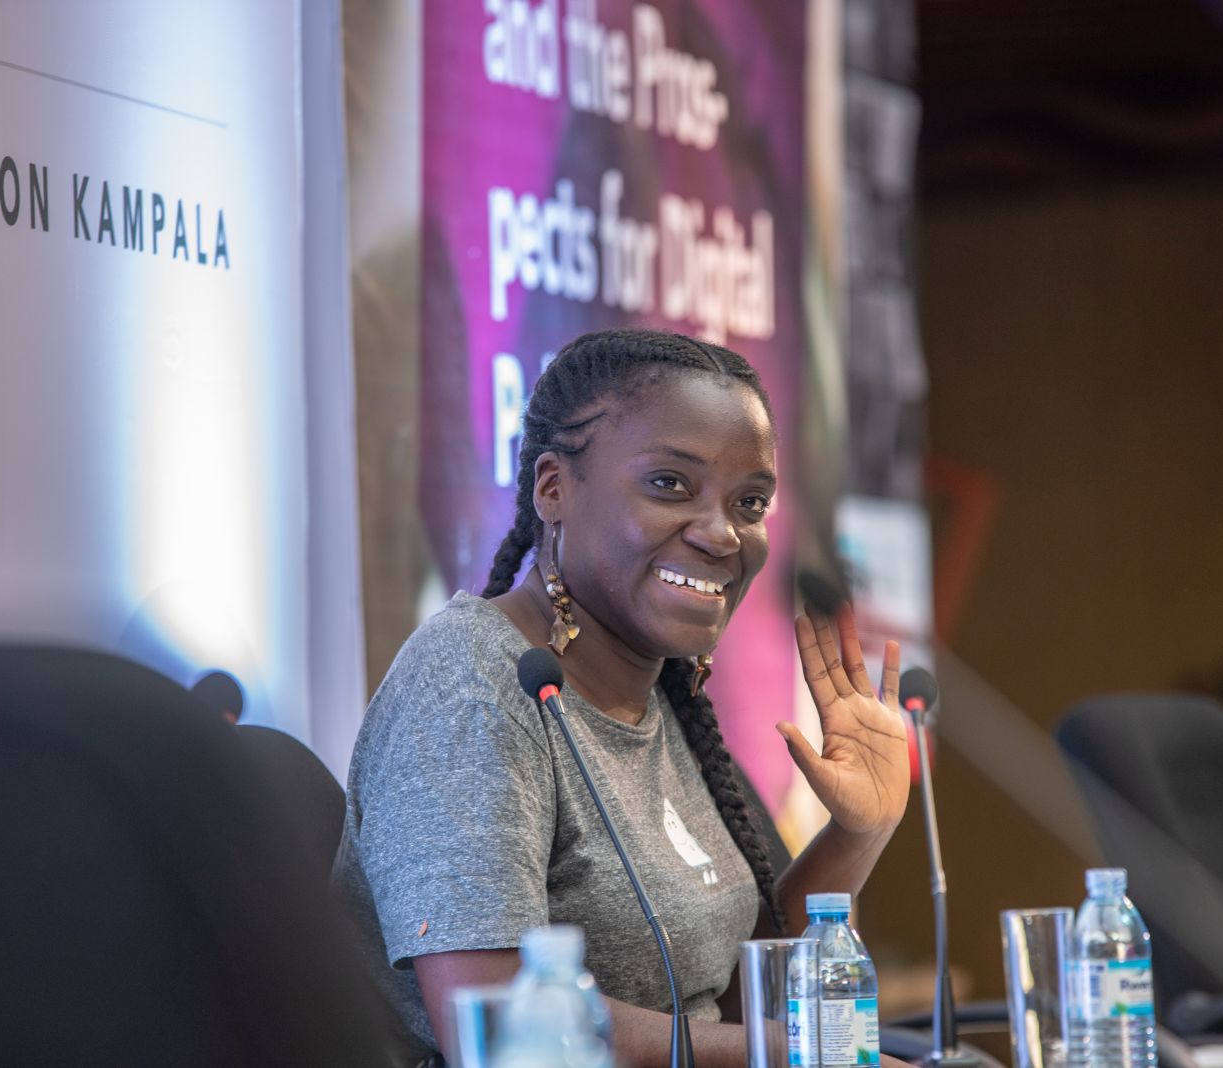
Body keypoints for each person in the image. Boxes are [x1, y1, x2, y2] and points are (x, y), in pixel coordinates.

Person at [334, 328, 913, 1067]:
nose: (723, 533)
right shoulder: (472, 681)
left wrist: (859, 832)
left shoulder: (661, 694)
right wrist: (808, 1054)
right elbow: (501, 1027)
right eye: (670, 484)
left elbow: (733, 1009)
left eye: (750, 501)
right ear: (553, 489)